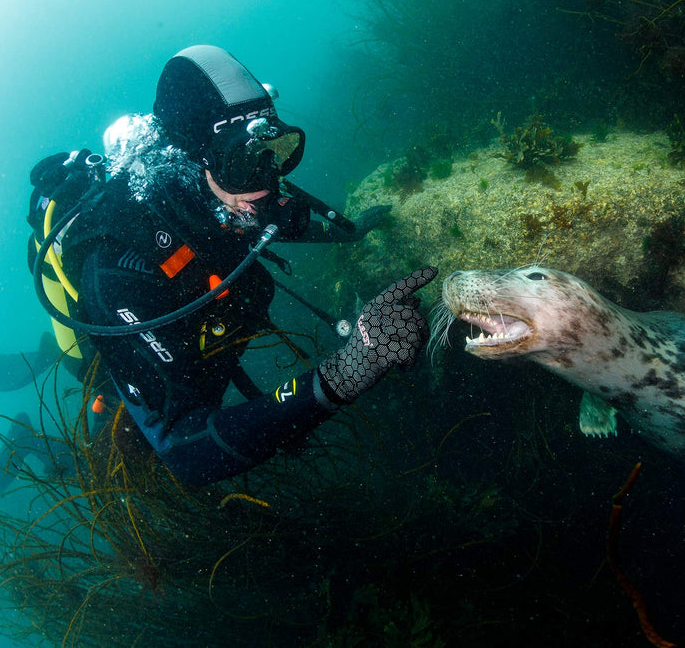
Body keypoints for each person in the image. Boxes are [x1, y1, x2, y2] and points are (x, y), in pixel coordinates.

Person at [28, 45, 436, 487]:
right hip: (118, 337)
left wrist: (350, 232)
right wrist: (347, 371)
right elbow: (184, 453)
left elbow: (277, 216)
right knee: (126, 456)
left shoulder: (236, 183)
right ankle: (35, 439)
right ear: (193, 158)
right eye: (244, 161)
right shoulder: (115, 270)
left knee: (246, 295)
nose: (266, 180)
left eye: (274, 150)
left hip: (199, 314)